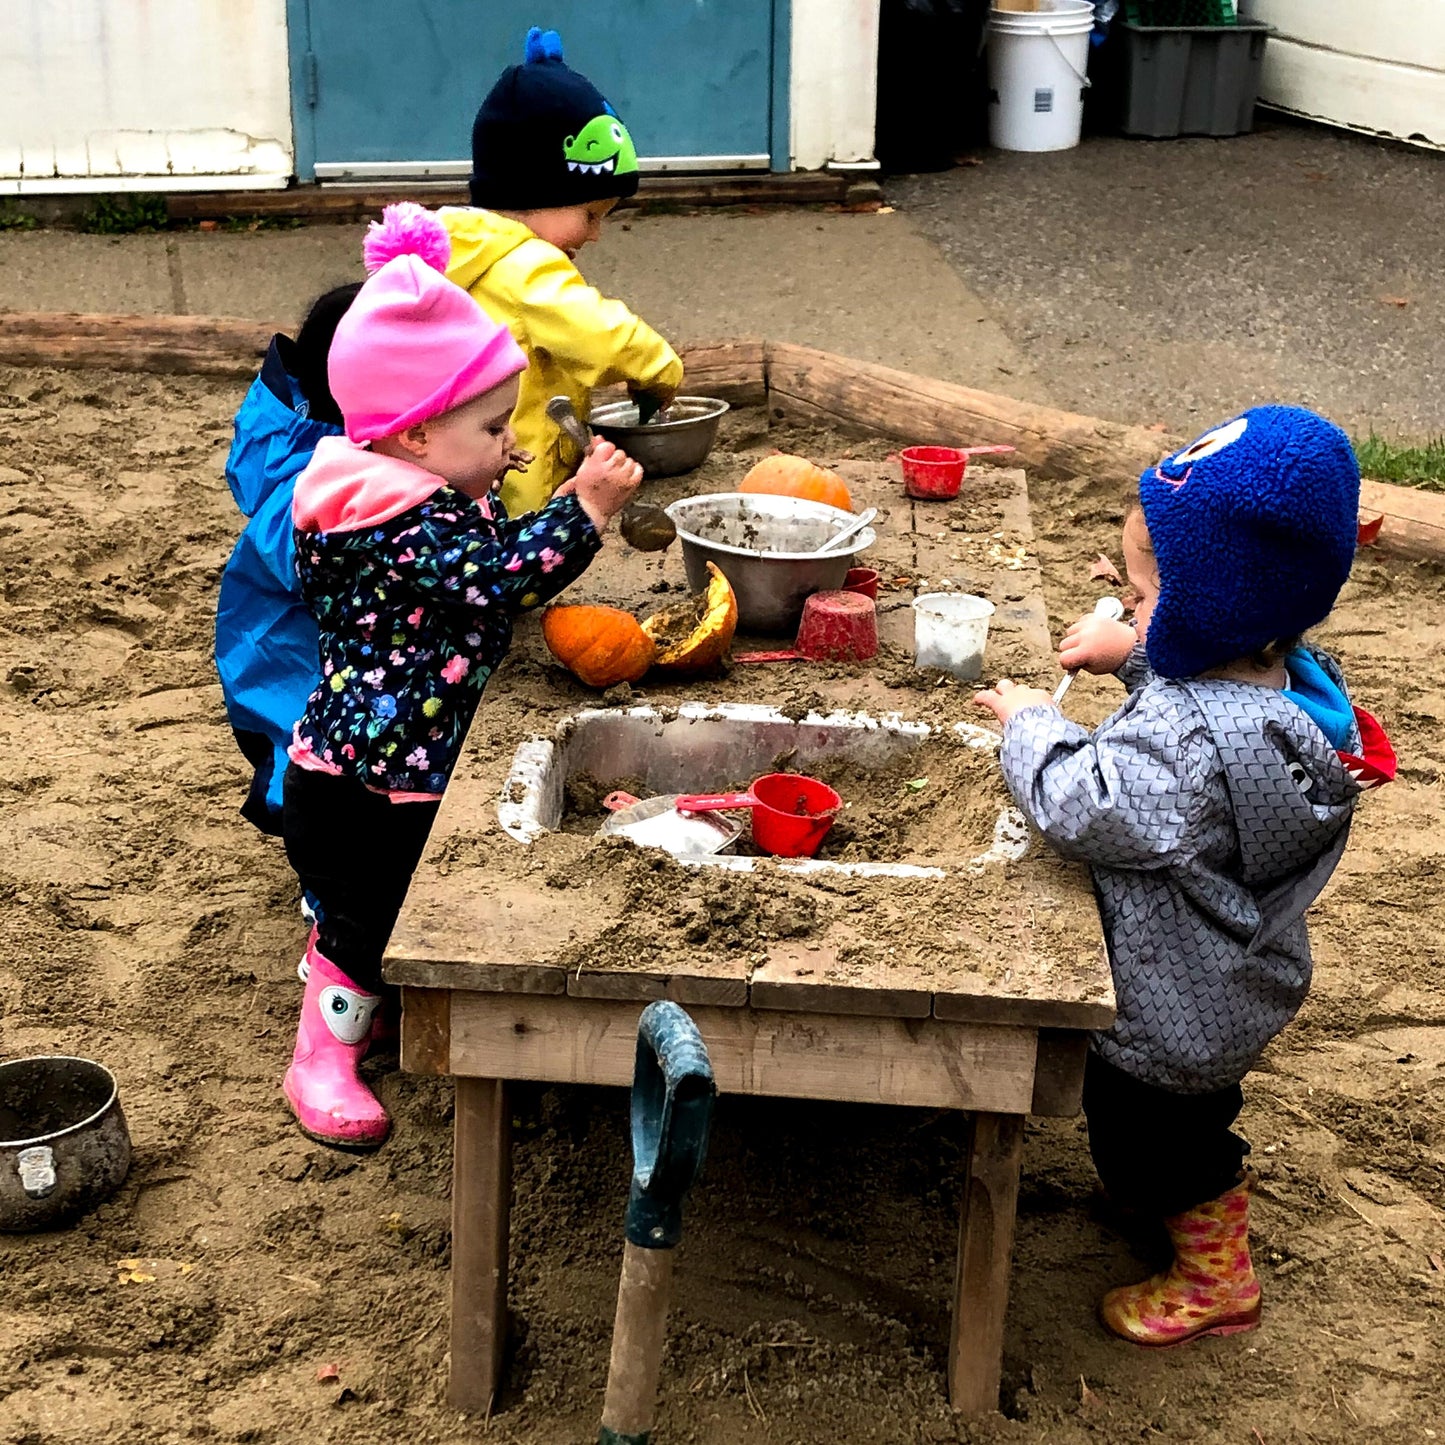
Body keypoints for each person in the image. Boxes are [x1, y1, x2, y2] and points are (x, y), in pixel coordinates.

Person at [973, 407, 1396, 1347]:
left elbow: (1082, 800)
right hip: (1231, 968)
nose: (1128, 606)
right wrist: (1132, 655)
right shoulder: (1284, 677)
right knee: (1168, 1130)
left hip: (1174, 1006)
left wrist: (1023, 725)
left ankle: (1217, 1277)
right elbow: (1200, 695)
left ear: (1214, 604)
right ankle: (1158, 1199)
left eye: (1143, 594)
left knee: (1162, 1138)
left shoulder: (1188, 747)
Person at [282, 204, 643, 1147]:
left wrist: (527, 489)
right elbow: (497, 578)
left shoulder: (405, 484)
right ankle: (323, 1050)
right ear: (411, 436)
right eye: (493, 427)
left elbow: (475, 555)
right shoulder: (391, 518)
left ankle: (388, 1005)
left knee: (404, 911)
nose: (510, 445)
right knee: (364, 923)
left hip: (405, 753)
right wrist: (586, 510)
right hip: (371, 778)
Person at [439, 26, 683, 514]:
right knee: (515, 564)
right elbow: (597, 332)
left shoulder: (473, 250)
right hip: (516, 472)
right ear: (534, 195)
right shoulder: (524, 266)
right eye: (590, 214)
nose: (595, 234)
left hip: (461, 458)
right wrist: (658, 369)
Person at [216, 283, 360, 840]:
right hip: (287, 659)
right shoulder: (307, 480)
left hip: (303, 654)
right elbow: (313, 565)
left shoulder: (316, 441)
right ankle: (316, 881)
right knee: (305, 768)